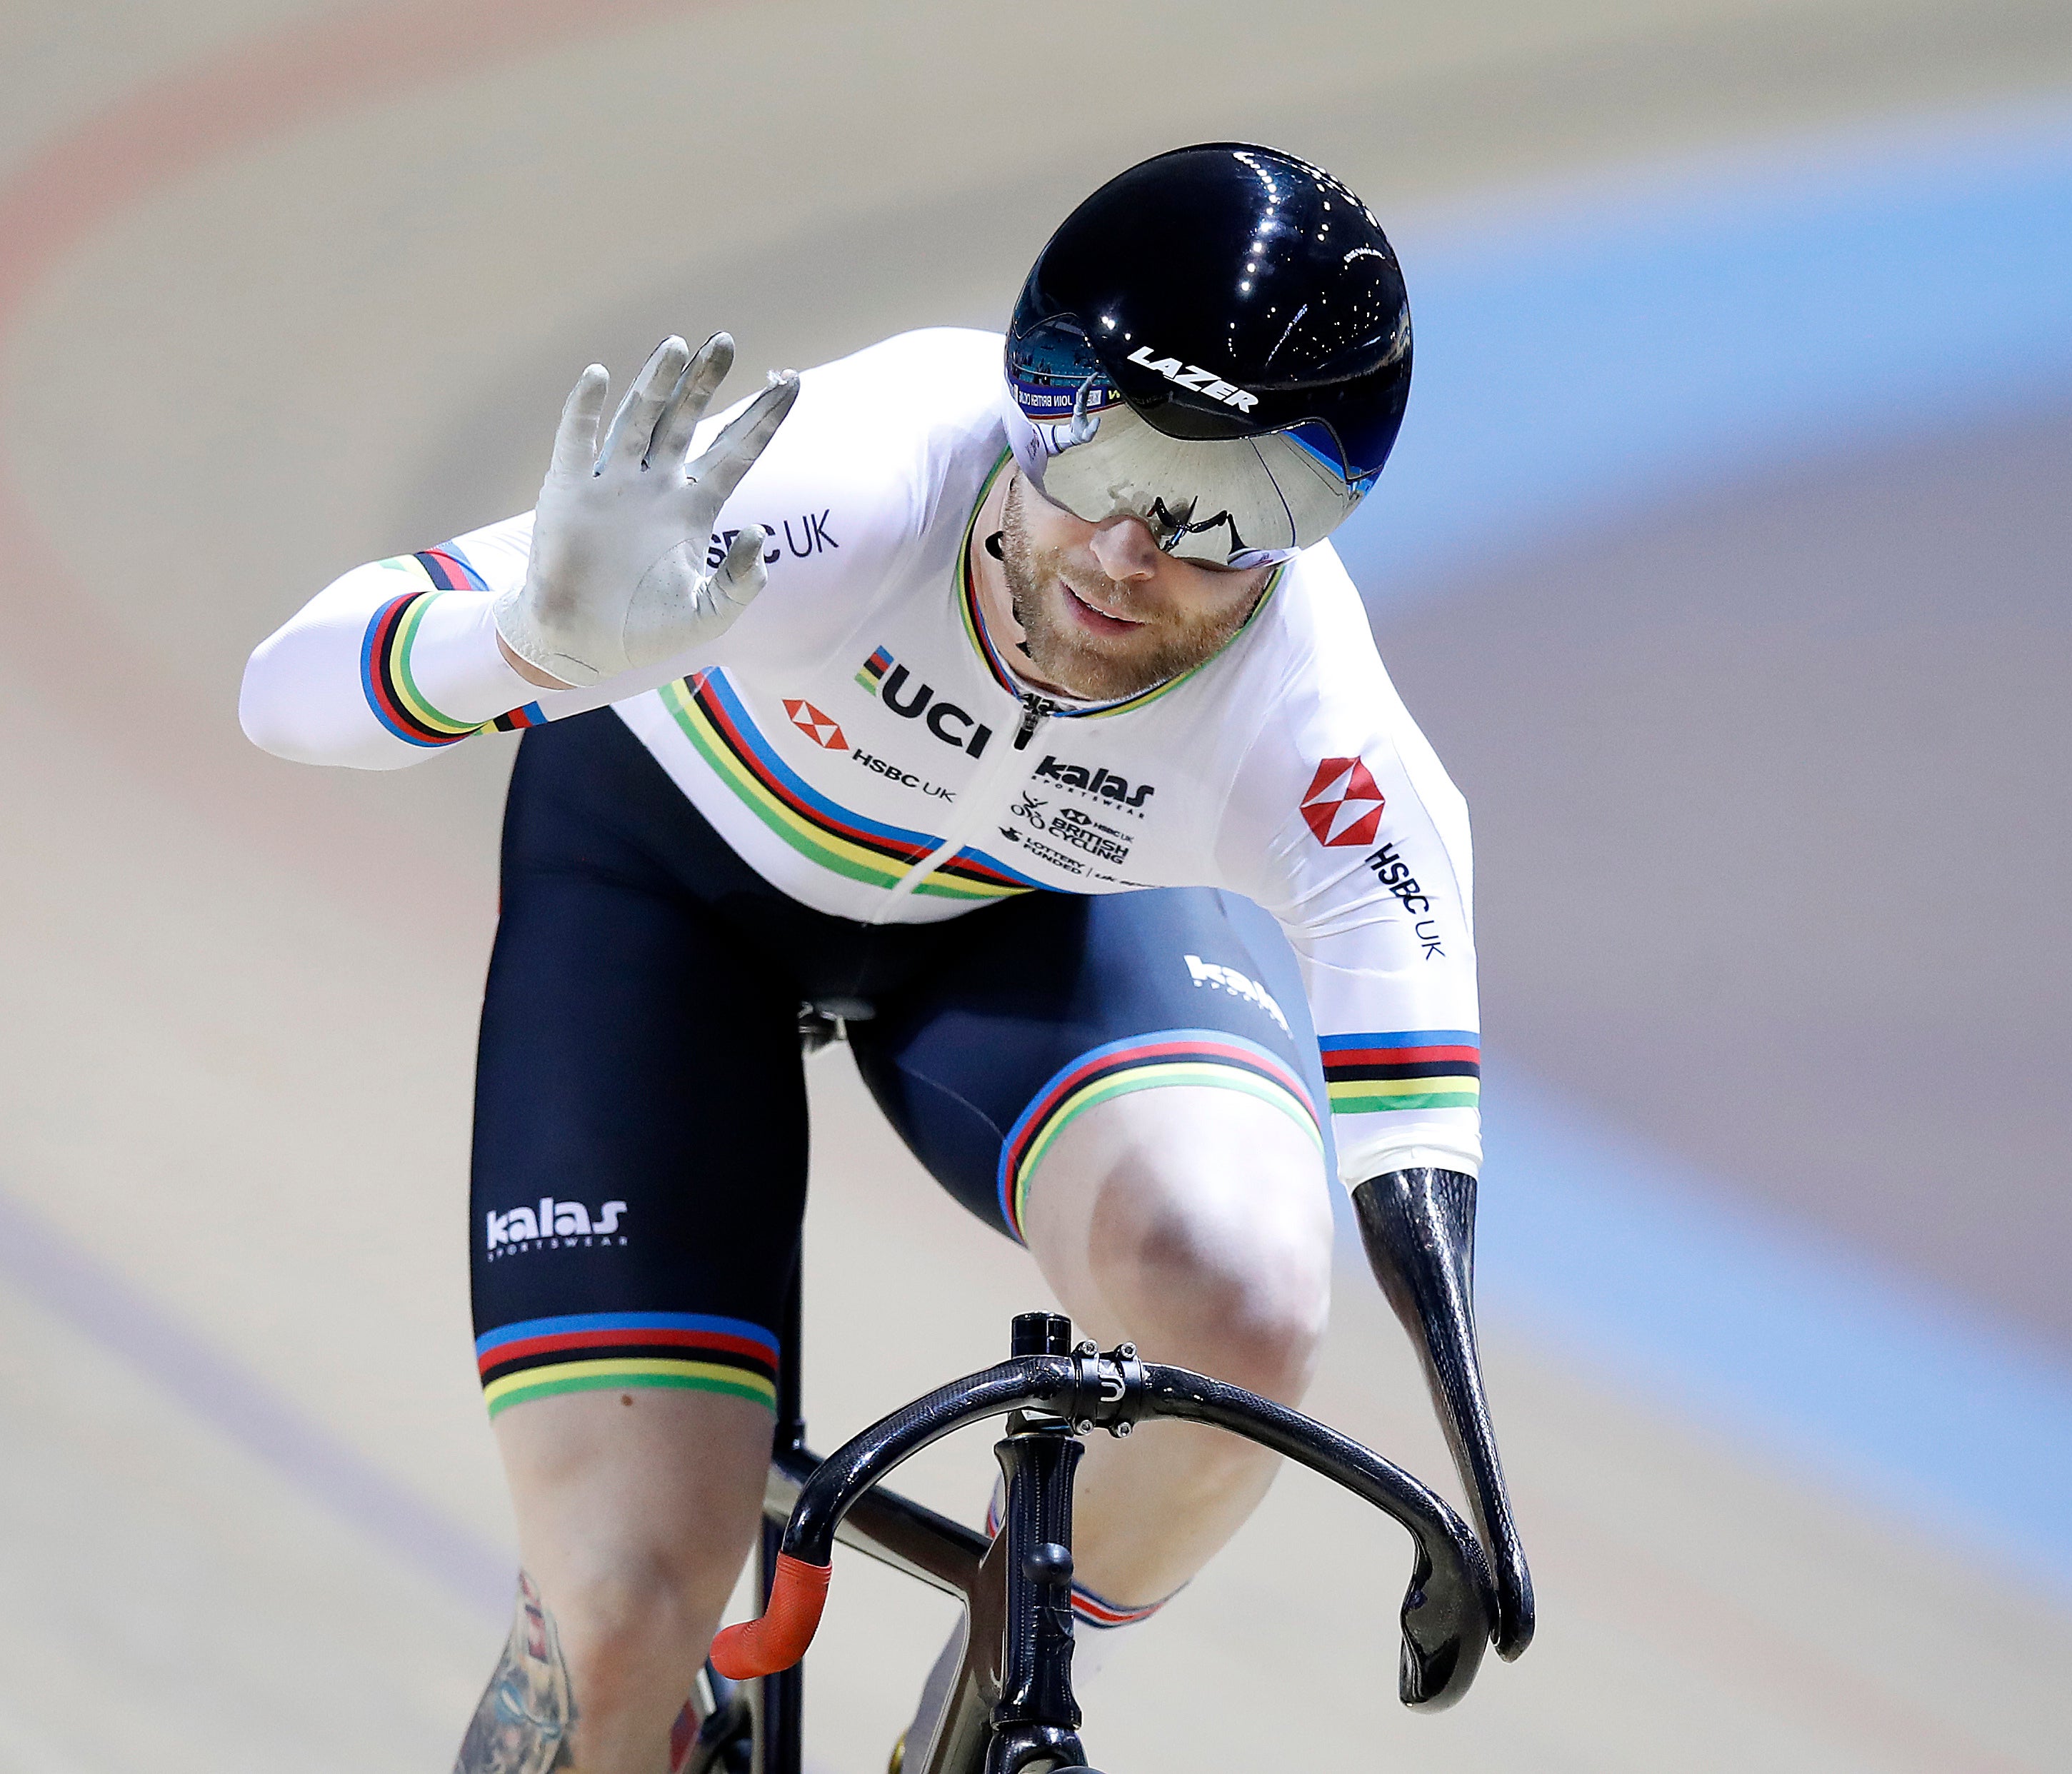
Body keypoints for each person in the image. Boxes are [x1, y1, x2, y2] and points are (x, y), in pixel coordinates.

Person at [241, 142, 1531, 1774]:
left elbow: (1417, 1136)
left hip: (1028, 922)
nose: (1134, 549)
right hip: (666, 888)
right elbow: (281, 692)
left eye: (1237, 507)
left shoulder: (1319, 723)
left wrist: (1478, 1498)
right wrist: (527, 647)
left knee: (1246, 1301)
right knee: (629, 1623)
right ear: (1025, 394)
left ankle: (977, 1719)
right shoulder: (847, 479)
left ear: (1331, 510)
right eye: (1108, 455)